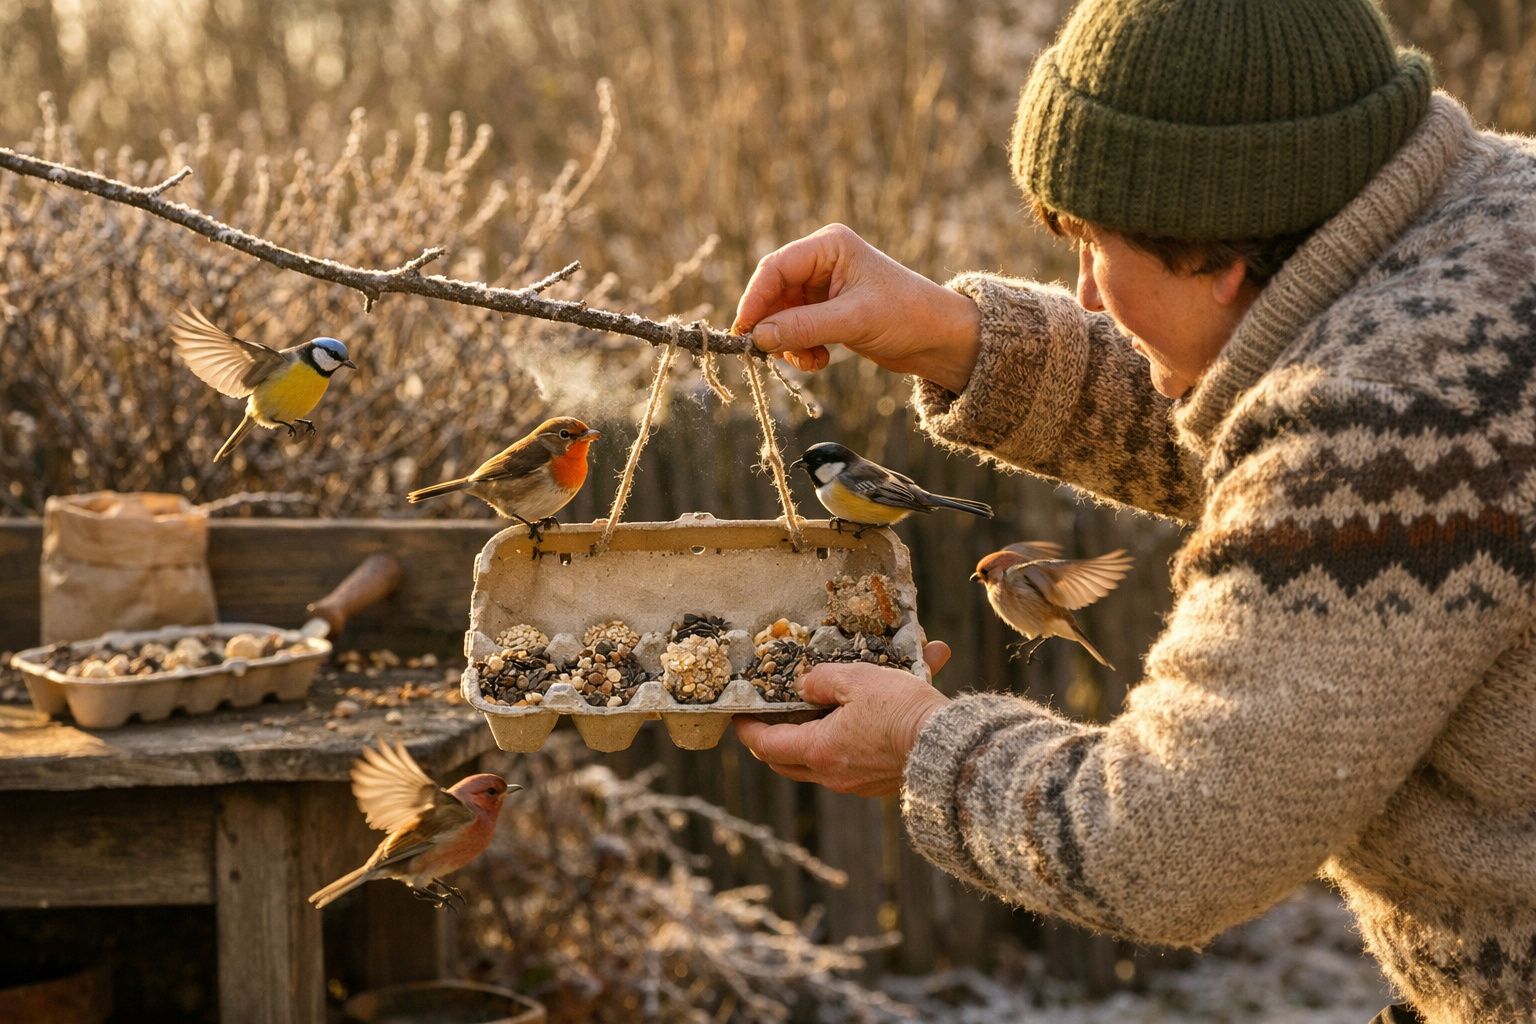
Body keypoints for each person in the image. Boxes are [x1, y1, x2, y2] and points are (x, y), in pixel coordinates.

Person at [729, 1, 1536, 1021]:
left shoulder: (1379, 412)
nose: (1088, 295)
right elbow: (1321, 461)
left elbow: (1169, 845)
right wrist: (961, 338)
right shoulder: (1493, 219)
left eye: (1094, 246)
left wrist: (928, 751)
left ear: (1223, 256)